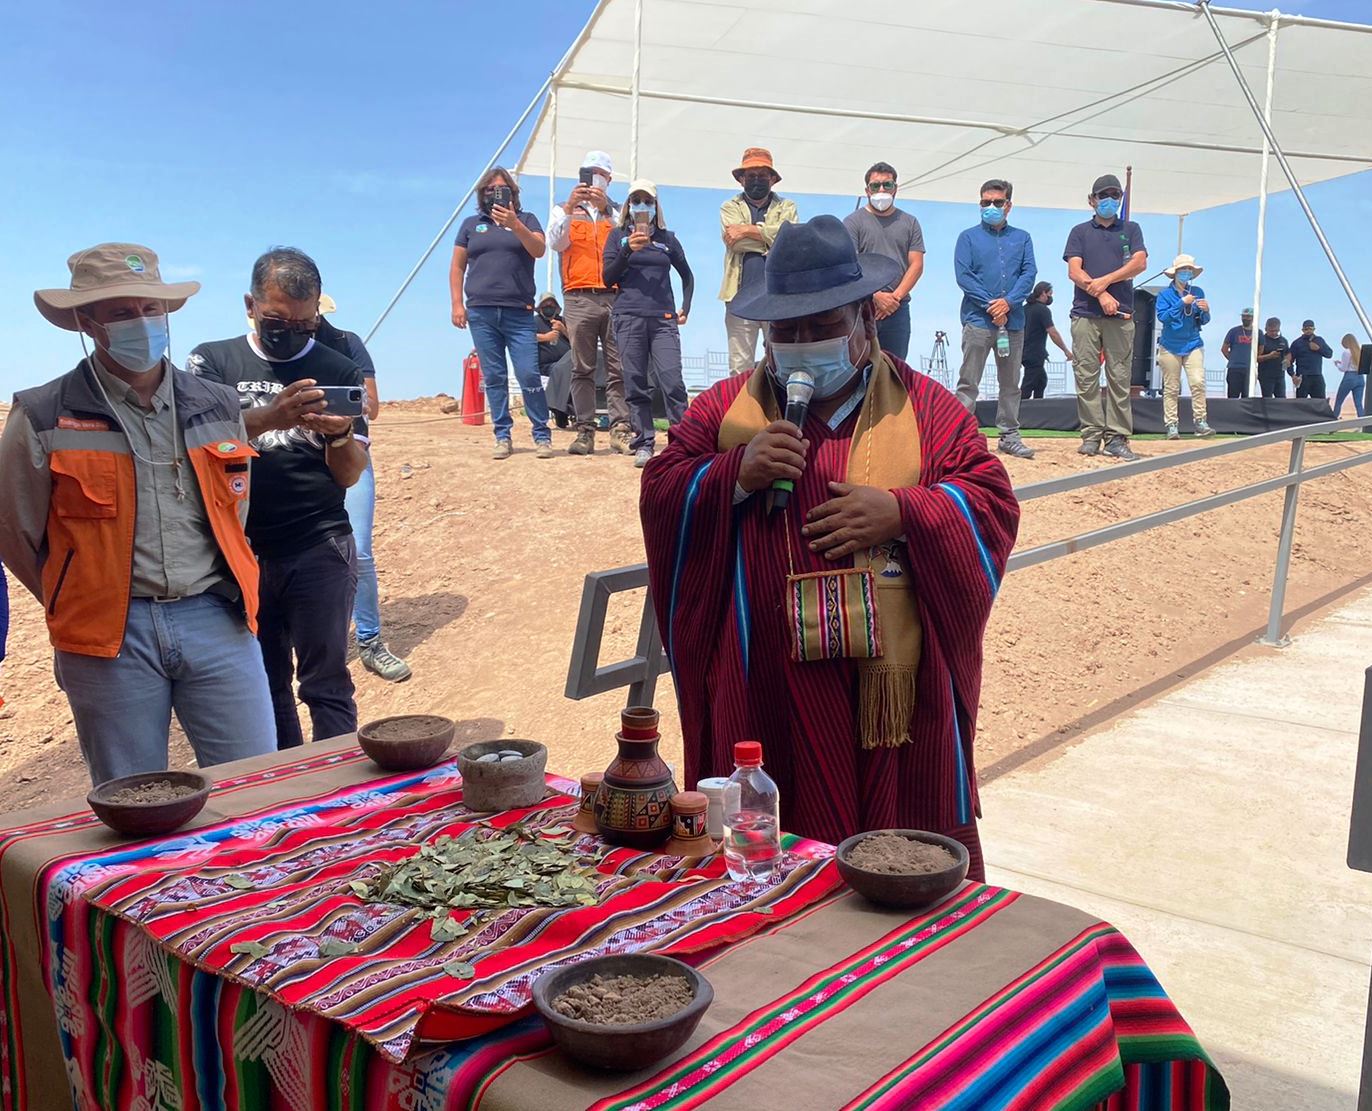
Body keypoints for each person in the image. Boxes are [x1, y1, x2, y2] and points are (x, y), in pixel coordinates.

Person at [640, 215, 1019, 880]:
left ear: (863, 324)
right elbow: (664, 488)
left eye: (822, 327)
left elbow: (988, 501)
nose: (803, 343)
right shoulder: (726, 412)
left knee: (901, 866)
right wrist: (734, 473)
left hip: (891, 706)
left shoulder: (929, 412)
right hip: (764, 686)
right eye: (787, 332)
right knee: (764, 866)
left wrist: (905, 512)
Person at [0, 243, 275, 784]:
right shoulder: (42, 413)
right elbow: (14, 534)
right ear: (87, 321)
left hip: (215, 620)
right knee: (132, 799)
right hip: (109, 635)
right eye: (122, 313)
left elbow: (233, 512)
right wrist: (79, 594)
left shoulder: (218, 404)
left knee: (255, 786)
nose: (142, 323)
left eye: (150, 309)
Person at [187, 248, 369, 750]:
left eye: (304, 323)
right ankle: (285, 789)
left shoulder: (337, 367)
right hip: (238, 550)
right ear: (250, 305)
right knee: (265, 684)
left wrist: (337, 437)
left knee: (327, 682)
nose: (290, 331)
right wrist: (270, 416)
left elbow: (350, 474)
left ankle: (341, 790)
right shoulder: (212, 361)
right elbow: (195, 445)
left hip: (318, 544)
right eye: (276, 320)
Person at [313, 295, 412, 683]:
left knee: (360, 550)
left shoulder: (346, 343)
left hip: (351, 449)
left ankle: (369, 641)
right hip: (293, 455)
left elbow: (372, 406)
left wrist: (341, 401)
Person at [448, 166, 552, 459]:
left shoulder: (527, 220)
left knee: (529, 374)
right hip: (481, 311)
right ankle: (502, 435)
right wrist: (457, 304)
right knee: (494, 375)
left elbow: (539, 250)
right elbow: (457, 266)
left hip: (519, 312)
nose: (496, 194)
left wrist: (515, 225)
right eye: (490, 190)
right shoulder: (471, 224)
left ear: (513, 194)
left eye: (502, 189)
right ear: (483, 194)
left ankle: (541, 434)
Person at [602, 179, 694, 469]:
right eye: (637, 200)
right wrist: (627, 250)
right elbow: (607, 278)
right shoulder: (616, 237)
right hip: (628, 317)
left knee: (672, 381)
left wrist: (685, 307)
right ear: (629, 205)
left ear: (656, 206)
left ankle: (683, 443)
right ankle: (644, 442)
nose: (643, 206)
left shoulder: (668, 239)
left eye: (648, 201)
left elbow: (687, 276)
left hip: (663, 319)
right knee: (636, 383)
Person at [546, 151, 632, 455]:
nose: (594, 178)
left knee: (617, 366)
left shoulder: (621, 212)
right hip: (579, 297)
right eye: (588, 172)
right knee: (581, 367)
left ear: (608, 180)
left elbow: (631, 247)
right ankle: (585, 431)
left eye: (600, 174)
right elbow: (556, 243)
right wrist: (571, 207)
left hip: (615, 296)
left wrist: (607, 211)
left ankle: (621, 429)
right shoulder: (563, 209)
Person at [1064, 173, 1148, 461]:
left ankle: (1116, 437)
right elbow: (1074, 271)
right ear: (1092, 200)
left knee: (1120, 377)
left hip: (1122, 316)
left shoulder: (1132, 229)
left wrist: (1106, 280)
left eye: (1115, 195)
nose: (1110, 200)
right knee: (1086, 376)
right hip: (1085, 315)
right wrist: (1100, 293)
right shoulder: (1079, 232)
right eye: (1104, 195)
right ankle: (1091, 434)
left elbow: (1139, 263)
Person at [953, 179, 1038, 460]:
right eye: (985, 202)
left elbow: (1029, 274)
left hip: (1012, 324)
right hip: (978, 320)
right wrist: (992, 305)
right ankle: (959, 437)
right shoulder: (967, 237)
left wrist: (1009, 302)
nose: (991, 207)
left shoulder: (1023, 237)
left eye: (997, 202)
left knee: (1011, 383)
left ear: (1008, 205)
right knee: (969, 381)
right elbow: (964, 276)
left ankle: (1009, 436)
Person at [719, 148, 799, 375]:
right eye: (751, 175)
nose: (756, 180)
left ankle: (781, 410)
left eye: (762, 175)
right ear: (741, 179)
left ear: (773, 179)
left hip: (778, 299)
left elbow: (790, 239)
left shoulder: (788, 207)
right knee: (739, 368)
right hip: (739, 297)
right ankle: (740, 410)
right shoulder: (729, 207)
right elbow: (734, 243)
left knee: (783, 362)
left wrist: (746, 229)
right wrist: (772, 239)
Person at [841, 162, 925, 361]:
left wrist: (894, 298)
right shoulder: (852, 222)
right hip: (862, 307)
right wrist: (875, 296)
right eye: (875, 185)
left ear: (895, 188)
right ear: (867, 190)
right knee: (858, 366)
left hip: (899, 310)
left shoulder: (910, 222)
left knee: (895, 370)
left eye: (887, 185)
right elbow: (848, 265)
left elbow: (916, 264)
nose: (881, 190)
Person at [1153, 253, 1214, 440]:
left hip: (1193, 342)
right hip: (1170, 345)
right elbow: (1163, 317)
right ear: (1175, 273)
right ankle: (1171, 425)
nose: (1186, 273)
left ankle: (1200, 422)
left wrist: (1206, 311)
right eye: (1183, 270)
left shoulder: (1198, 292)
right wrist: (1181, 303)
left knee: (1197, 382)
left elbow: (1203, 320)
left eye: (1189, 270)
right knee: (1171, 387)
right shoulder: (1164, 295)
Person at [1020, 282, 1071, 400]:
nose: (1051, 297)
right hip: (1034, 353)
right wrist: (1066, 350)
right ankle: (1020, 411)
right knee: (1029, 383)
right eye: (1050, 294)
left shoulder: (1024, 309)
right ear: (1043, 293)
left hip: (1024, 351)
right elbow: (1053, 333)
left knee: (1041, 381)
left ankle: (1038, 408)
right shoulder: (1043, 310)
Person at [1290, 319, 1334, 400]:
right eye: (1306, 329)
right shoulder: (1297, 343)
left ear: (1314, 329)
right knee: (1301, 404)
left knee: (1320, 403)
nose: (1308, 331)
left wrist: (1319, 349)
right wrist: (1293, 375)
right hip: (1302, 377)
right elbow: (1289, 360)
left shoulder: (1319, 340)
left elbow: (1329, 354)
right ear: (1302, 330)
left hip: (1317, 376)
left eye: (1310, 328)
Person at [1221, 308, 1255, 398]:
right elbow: (1224, 349)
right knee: (1233, 396)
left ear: (1253, 318)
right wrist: (1233, 359)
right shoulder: (1234, 331)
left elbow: (1261, 349)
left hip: (1249, 369)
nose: (1246, 318)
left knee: (1248, 397)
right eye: (1244, 316)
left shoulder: (1257, 332)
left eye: (1248, 316)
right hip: (1234, 369)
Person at [534, 292, 571, 374]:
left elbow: (577, 341)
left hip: (569, 362)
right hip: (546, 366)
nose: (548, 307)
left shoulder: (564, 321)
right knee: (564, 370)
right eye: (545, 305)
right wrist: (545, 337)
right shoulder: (534, 321)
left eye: (551, 305)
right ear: (540, 308)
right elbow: (525, 338)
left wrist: (563, 330)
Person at [1256, 318, 1292, 398]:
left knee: (1281, 398)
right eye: (1271, 331)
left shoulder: (1283, 340)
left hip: (1280, 375)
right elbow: (1256, 358)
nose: (1274, 333)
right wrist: (1269, 356)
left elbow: (1287, 353)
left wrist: (1287, 360)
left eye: (1276, 331)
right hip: (1266, 375)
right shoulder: (1262, 340)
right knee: (1267, 399)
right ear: (1266, 329)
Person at [1334, 333, 1367, 418]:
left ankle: (1333, 421)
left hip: (1349, 377)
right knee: (1359, 403)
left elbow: (1343, 368)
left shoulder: (1347, 352)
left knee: (1339, 401)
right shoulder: (1360, 351)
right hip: (1360, 377)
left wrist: (1337, 364)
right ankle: (1363, 424)